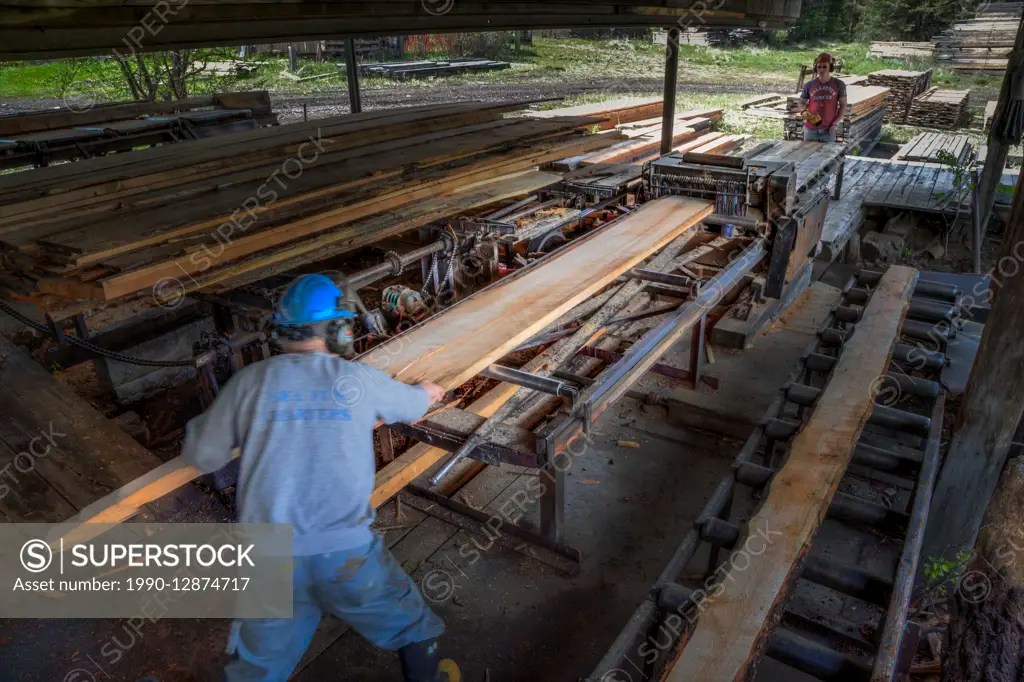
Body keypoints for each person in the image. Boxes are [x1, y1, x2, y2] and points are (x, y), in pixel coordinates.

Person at [182, 273, 460, 682]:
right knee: (408, 624)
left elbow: (201, 454)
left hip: (270, 561)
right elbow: (411, 406)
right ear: (339, 330)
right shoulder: (355, 379)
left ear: (281, 332)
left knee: (255, 668)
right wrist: (429, 391)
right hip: (345, 554)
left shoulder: (249, 384)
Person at [795, 52, 847, 143]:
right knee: (807, 154)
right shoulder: (809, 85)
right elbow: (801, 102)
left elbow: (843, 105)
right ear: (816, 68)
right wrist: (803, 111)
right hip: (810, 129)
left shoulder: (839, 84)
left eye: (824, 67)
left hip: (828, 130)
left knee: (827, 156)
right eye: (819, 67)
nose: (821, 70)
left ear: (830, 68)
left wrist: (835, 123)